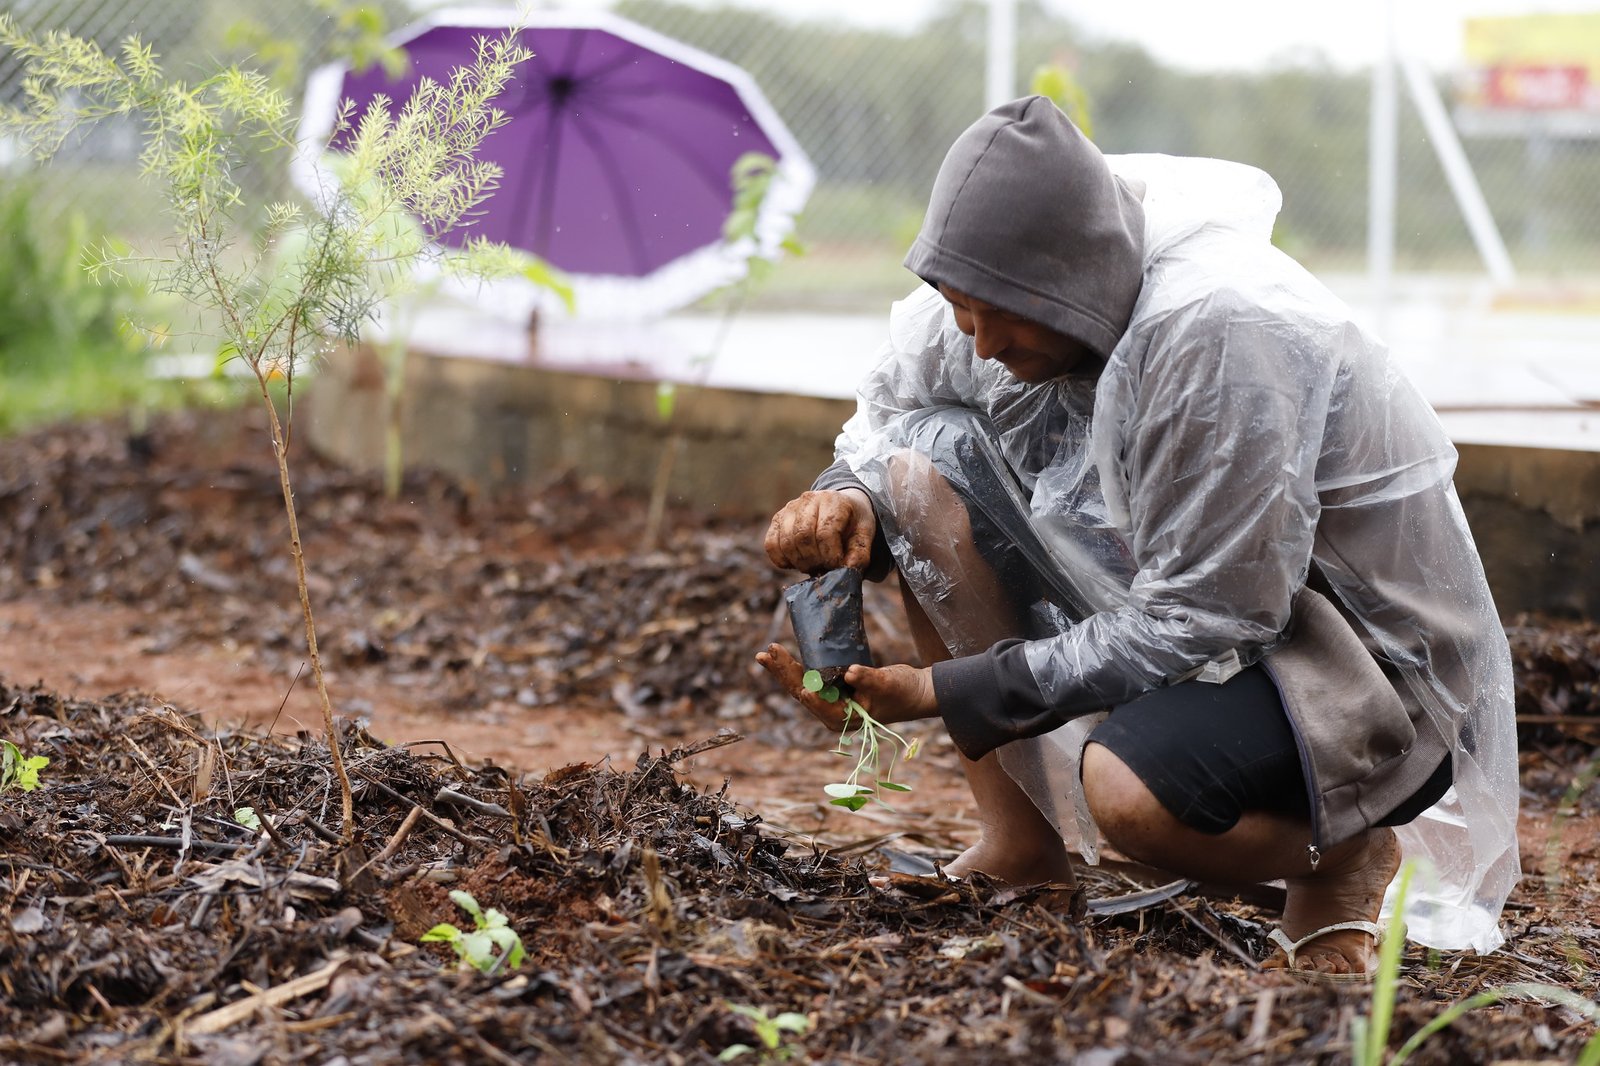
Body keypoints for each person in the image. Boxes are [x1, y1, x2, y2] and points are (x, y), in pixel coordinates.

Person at [756, 96, 1519, 981]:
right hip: (1175, 599)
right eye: (962, 306)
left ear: (1076, 274)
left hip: (1350, 655)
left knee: (1135, 805)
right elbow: (886, 422)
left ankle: (1345, 856)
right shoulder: (976, 305)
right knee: (910, 472)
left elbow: (1206, 611)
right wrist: (840, 496)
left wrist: (941, 691)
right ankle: (1020, 845)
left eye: (1007, 310)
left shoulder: (1218, 334)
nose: (984, 339)